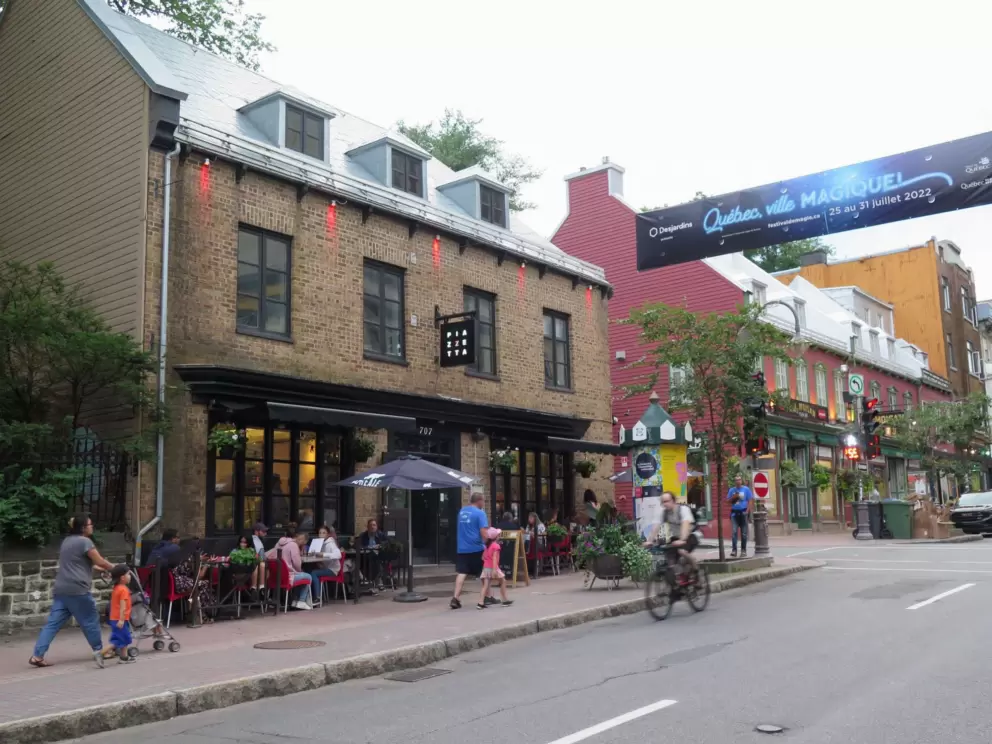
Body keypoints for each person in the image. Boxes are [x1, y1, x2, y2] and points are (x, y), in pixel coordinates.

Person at [30, 513, 116, 669]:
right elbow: (100, 561)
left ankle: (37, 655)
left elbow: (80, 563)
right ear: (83, 528)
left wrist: (99, 569)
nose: (92, 527)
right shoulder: (85, 542)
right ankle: (99, 651)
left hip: (61, 589)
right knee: (90, 621)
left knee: (52, 624)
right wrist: (116, 568)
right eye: (90, 525)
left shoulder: (67, 541)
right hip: (78, 590)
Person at [644, 490, 700, 573]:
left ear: (673, 501)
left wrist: (682, 540)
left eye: (667, 501)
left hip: (690, 536)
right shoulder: (664, 513)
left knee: (682, 551)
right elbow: (656, 526)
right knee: (670, 557)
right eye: (663, 502)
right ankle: (676, 576)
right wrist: (650, 541)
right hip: (676, 537)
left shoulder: (683, 510)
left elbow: (685, 524)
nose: (665, 504)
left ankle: (696, 569)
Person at [450, 493, 488, 610]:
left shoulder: (462, 512)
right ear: (479, 501)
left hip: (462, 548)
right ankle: (485, 597)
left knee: (462, 572)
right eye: (483, 501)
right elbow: (483, 532)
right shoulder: (480, 513)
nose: (484, 503)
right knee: (484, 573)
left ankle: (455, 598)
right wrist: (486, 544)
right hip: (476, 548)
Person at [266, 526, 313, 610]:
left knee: (302, 575)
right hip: (288, 577)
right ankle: (301, 601)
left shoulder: (278, 543)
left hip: (276, 577)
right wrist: (299, 571)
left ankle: (292, 600)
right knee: (308, 576)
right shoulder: (293, 545)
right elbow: (297, 563)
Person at [477, 528, 512, 610]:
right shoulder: (496, 546)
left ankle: (480, 603)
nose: (499, 536)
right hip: (493, 567)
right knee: (503, 581)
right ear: (495, 537)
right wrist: (494, 569)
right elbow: (495, 558)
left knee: (485, 586)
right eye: (498, 535)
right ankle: (504, 600)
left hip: (486, 568)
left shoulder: (487, 546)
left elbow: (483, 557)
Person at [108, 564, 135, 664]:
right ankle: (100, 653)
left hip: (114, 618)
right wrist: (122, 620)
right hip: (120, 619)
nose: (130, 576)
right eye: (128, 574)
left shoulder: (116, 588)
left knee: (123, 638)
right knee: (120, 639)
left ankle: (124, 657)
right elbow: (123, 606)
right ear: (122, 577)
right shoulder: (123, 589)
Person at [308, 524, 343, 602]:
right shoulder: (319, 543)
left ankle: (317, 597)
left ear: (328, 534)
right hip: (324, 567)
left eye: (324, 533)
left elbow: (338, 555)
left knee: (314, 573)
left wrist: (323, 554)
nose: (321, 535)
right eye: (320, 533)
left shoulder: (331, 543)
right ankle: (311, 596)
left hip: (332, 570)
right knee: (309, 570)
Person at [727, 475, 754, 558]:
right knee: (734, 532)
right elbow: (728, 501)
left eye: (739, 480)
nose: (738, 481)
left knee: (744, 533)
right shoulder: (732, 490)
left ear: (741, 481)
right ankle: (734, 550)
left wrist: (747, 511)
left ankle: (743, 550)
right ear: (734, 482)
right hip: (734, 514)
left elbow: (750, 500)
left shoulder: (746, 489)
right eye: (736, 480)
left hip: (743, 513)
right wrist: (733, 497)